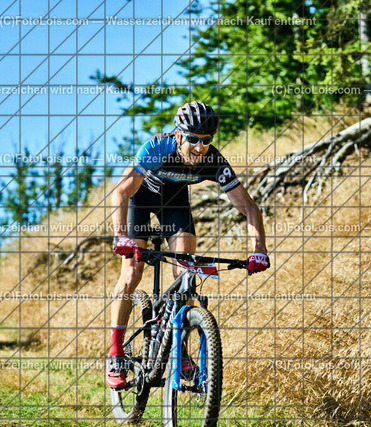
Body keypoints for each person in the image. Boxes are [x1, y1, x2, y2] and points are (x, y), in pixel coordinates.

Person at [106, 101, 270, 389]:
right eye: (193, 139)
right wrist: (121, 236)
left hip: (174, 204)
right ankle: (115, 352)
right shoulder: (157, 148)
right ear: (179, 135)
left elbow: (249, 206)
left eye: (206, 140)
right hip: (140, 201)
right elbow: (120, 192)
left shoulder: (214, 160)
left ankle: (180, 350)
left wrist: (259, 250)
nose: (199, 147)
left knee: (186, 273)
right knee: (131, 273)